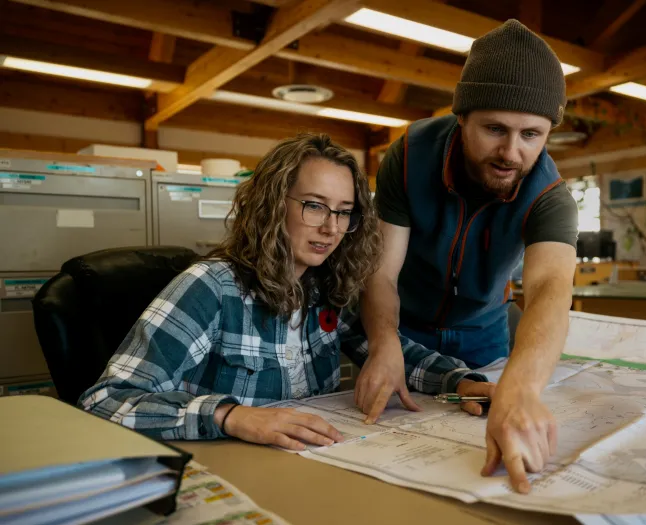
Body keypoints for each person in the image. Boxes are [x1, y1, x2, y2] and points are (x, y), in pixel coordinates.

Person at [79, 133, 494, 450]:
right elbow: (105, 399)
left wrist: (460, 383)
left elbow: (391, 355)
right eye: (314, 205)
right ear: (274, 204)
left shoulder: (324, 290)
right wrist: (230, 416)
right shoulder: (210, 287)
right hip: (229, 468)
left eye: (344, 212)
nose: (331, 228)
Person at [357, 20, 578, 492]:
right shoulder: (411, 155)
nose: (511, 152)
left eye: (532, 135)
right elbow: (381, 272)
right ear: (462, 117)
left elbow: (549, 289)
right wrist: (383, 341)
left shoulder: (551, 196)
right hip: (405, 330)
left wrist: (521, 389)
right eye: (494, 128)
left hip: (484, 337)